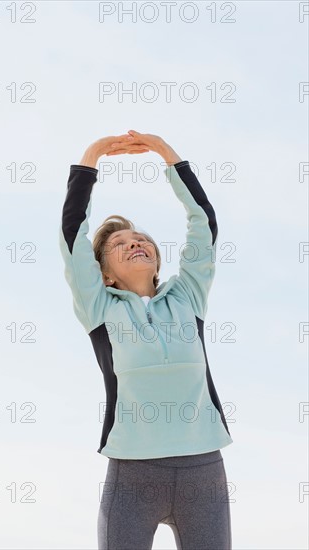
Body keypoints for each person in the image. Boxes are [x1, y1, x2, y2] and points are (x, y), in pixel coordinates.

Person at [58, 130, 233, 549]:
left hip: (204, 472)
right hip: (132, 476)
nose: (134, 242)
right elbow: (71, 235)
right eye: (119, 243)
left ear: (155, 258)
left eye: (141, 239)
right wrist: (92, 157)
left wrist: (167, 155)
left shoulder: (188, 295)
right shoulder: (100, 307)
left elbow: (203, 224)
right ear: (104, 273)